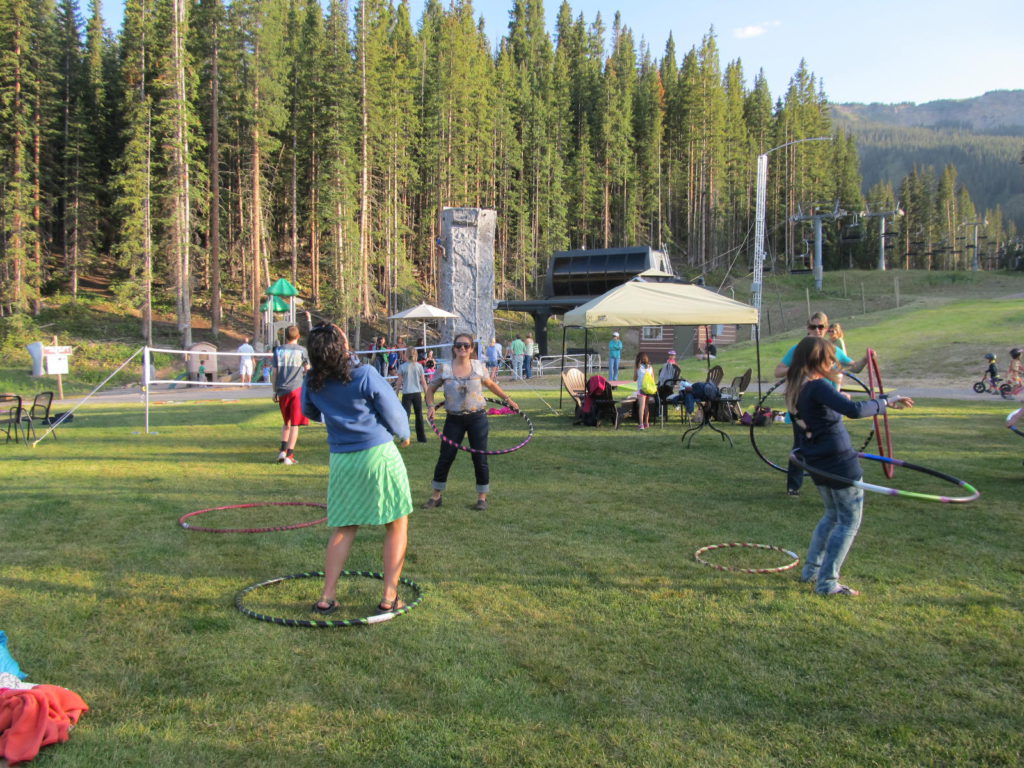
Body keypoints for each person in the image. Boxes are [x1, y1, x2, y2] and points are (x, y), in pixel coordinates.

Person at [785, 336, 913, 596]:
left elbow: (837, 408)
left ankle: (812, 571)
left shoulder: (797, 386)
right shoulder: (819, 386)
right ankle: (827, 582)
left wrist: (885, 400)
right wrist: (885, 403)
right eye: (830, 358)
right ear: (818, 361)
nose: (833, 363)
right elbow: (853, 411)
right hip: (838, 461)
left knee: (831, 515)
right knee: (847, 522)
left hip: (817, 461)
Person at [301, 323, 413, 614]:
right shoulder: (363, 374)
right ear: (342, 346)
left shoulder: (312, 380)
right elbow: (394, 412)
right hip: (378, 456)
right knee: (396, 523)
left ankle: (327, 596)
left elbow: (309, 411)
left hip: (342, 459)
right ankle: (389, 596)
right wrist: (404, 433)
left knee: (344, 528)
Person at [775, 312, 868, 496]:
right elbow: (778, 371)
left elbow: (854, 366)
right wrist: (803, 367)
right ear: (807, 327)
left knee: (832, 445)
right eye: (813, 327)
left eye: (821, 327)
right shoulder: (798, 349)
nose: (817, 330)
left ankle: (832, 484)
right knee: (801, 446)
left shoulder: (831, 350)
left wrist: (866, 359)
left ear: (827, 329)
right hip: (805, 408)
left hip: (830, 406)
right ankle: (795, 486)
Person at [424, 332, 518, 511]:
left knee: (480, 457)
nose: (462, 348)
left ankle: (482, 498)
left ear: (471, 349)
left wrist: (508, 399)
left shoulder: (478, 366)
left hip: (477, 417)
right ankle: (436, 496)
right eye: (459, 345)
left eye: (466, 345)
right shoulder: (445, 369)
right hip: (454, 419)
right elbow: (430, 389)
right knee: (446, 456)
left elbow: (490, 384)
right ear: (454, 348)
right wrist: (430, 406)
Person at [271, 325, 311, 465]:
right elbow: (307, 369)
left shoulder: (279, 350)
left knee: (286, 422)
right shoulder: (302, 351)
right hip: (297, 389)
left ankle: (282, 451)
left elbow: (274, 373)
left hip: (282, 390)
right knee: (295, 424)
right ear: (298, 336)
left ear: (285, 336)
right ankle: (290, 455)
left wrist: (275, 390)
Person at [396, 345, 429, 443]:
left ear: (406, 355)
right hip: (417, 394)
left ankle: (405, 438)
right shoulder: (419, 366)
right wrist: (427, 394)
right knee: (419, 416)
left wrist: (396, 393)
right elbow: (423, 382)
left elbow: (399, 382)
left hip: (407, 394)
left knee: (406, 416)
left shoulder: (402, 367)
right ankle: (422, 438)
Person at [633, 351, 655, 430]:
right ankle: (646, 423)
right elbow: (652, 379)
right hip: (648, 389)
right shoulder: (650, 367)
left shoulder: (638, 367)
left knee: (641, 407)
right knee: (646, 406)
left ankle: (641, 425)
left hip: (641, 389)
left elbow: (634, 379)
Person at [657, 350, 681, 422]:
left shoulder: (674, 364)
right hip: (666, 384)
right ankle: (674, 404)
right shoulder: (667, 363)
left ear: (675, 356)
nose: (671, 356)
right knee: (664, 391)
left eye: (673, 355)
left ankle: (663, 413)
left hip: (669, 383)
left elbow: (677, 373)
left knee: (663, 392)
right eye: (670, 355)